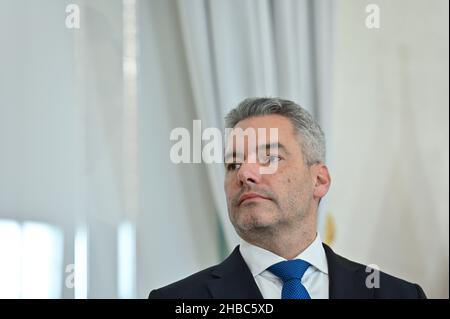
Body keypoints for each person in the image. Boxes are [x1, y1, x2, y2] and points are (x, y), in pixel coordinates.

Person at [149, 97, 426, 299]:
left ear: (319, 180)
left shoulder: (398, 295)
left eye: (269, 158)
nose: (245, 173)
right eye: (233, 164)